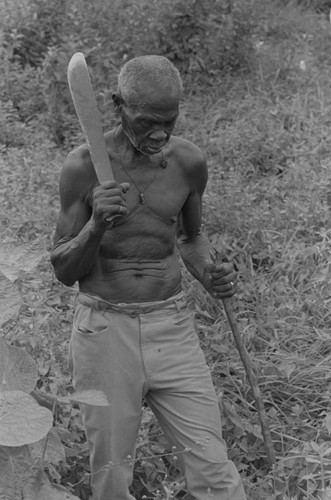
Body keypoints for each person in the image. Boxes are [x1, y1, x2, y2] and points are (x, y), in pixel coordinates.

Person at [51, 55, 247, 500]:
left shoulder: (188, 163)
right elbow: (64, 269)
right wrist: (96, 225)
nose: (159, 134)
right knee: (112, 475)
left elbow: (191, 238)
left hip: (172, 328)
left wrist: (210, 272)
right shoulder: (83, 166)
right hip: (104, 330)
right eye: (147, 122)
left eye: (169, 121)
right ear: (118, 105)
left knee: (214, 470)